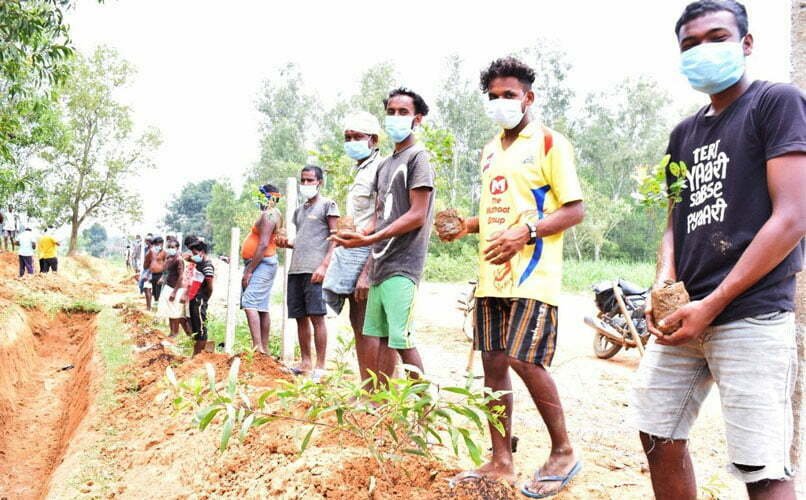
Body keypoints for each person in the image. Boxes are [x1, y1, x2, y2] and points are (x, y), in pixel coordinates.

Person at [632, 2, 806, 499]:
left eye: (716, 37)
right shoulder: (683, 134)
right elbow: (676, 220)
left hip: (749, 313)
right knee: (656, 430)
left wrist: (714, 303)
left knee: (763, 465)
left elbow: (793, 215)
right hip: (684, 313)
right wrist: (664, 280)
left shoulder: (777, 103)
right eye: (690, 44)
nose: (702, 50)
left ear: (746, 44)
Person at [437, 58, 585, 496]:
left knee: (525, 359)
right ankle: (501, 460)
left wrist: (529, 230)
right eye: (494, 96)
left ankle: (563, 452)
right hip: (492, 274)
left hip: (533, 272)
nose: (501, 103)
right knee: (494, 364)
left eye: (509, 95)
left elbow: (574, 209)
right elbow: (496, 212)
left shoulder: (550, 144)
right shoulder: (488, 151)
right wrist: (467, 224)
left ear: (528, 98)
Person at [332, 87, 436, 381]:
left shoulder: (418, 159)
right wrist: (357, 235)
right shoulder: (387, 164)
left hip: (403, 264)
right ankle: (380, 404)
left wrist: (369, 239)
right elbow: (380, 215)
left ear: (418, 119)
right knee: (376, 335)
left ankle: (423, 411)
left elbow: (417, 214)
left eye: (403, 112)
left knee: (402, 341)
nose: (395, 118)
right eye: (391, 112)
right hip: (381, 262)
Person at [322, 111, 382, 382]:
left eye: (357, 137)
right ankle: (368, 387)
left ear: (373, 140)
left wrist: (368, 269)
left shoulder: (380, 168)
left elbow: (381, 217)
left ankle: (376, 391)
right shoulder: (361, 169)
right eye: (347, 137)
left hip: (369, 251)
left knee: (370, 326)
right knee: (358, 323)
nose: (351, 142)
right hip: (353, 249)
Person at [276, 166, 339, 381]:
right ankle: (305, 362)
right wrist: (286, 243)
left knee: (317, 317)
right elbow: (304, 240)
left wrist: (324, 266)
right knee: (299, 317)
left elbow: (334, 239)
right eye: (303, 180)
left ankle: (320, 366)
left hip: (315, 270)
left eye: (310, 180)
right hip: (296, 269)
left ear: (320, 182)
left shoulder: (328, 205)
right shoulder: (299, 210)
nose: (306, 184)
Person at [241, 184, 282, 354]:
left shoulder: (269, 215)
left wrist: (249, 270)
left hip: (262, 263)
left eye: (260, 196)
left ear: (267, 197)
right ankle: (263, 349)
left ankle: (258, 348)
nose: (257, 200)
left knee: (249, 302)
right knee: (261, 306)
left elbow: (263, 244)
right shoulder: (272, 214)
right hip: (263, 263)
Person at [157, 238, 190, 338]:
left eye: (173, 247)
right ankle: (172, 332)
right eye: (169, 247)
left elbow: (181, 276)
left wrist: (174, 292)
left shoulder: (179, 260)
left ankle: (175, 333)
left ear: (177, 248)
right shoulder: (169, 258)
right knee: (170, 311)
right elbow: (167, 272)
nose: (171, 249)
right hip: (169, 286)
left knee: (176, 313)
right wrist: (163, 278)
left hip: (177, 289)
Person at [188, 240, 215, 355]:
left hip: (200, 299)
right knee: (196, 328)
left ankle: (198, 355)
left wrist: (203, 298)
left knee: (201, 329)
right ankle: (196, 354)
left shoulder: (207, 266)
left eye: (195, 253)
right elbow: (188, 258)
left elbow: (209, 287)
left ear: (202, 253)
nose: (193, 256)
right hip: (195, 298)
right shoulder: (200, 263)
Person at [143, 236, 166, 310]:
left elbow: (166, 264)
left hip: (160, 274)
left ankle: (157, 307)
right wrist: (146, 272)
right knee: (148, 289)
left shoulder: (164, 252)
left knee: (158, 292)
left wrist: (163, 276)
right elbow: (146, 262)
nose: (158, 246)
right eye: (156, 244)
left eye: (160, 244)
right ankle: (149, 307)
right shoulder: (151, 251)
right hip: (151, 274)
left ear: (162, 244)